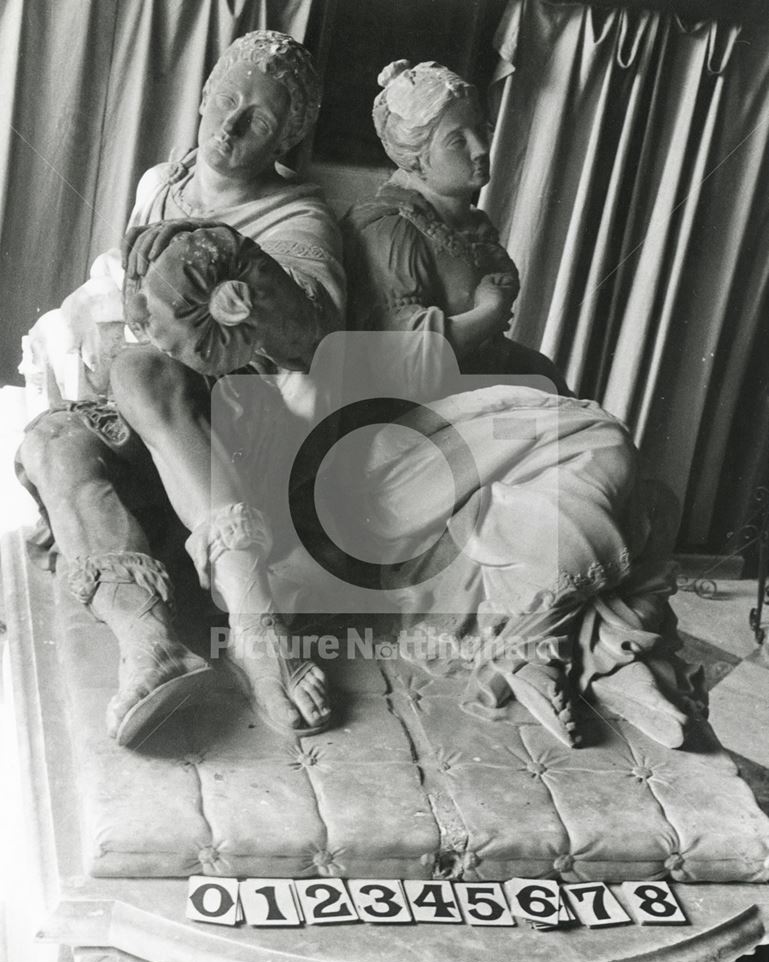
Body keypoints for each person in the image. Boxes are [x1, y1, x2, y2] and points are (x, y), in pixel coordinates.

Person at [340, 60, 704, 749]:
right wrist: (486, 313)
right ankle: (539, 642)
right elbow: (396, 365)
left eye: (482, 132)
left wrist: (538, 382)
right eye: (458, 141)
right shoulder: (385, 227)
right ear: (414, 154)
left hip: (477, 426)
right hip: (401, 447)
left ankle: (612, 654)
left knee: (644, 500)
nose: (481, 151)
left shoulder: (464, 223)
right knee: (601, 444)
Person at [17, 30, 345, 748]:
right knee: (48, 440)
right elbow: (132, 301)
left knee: (139, 370)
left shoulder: (298, 218)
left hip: (238, 435)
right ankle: (151, 645)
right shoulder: (161, 183)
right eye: (225, 99)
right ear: (202, 97)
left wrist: (251, 290)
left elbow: (314, 342)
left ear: (286, 135)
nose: (229, 124)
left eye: (256, 117)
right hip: (145, 419)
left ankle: (257, 626)